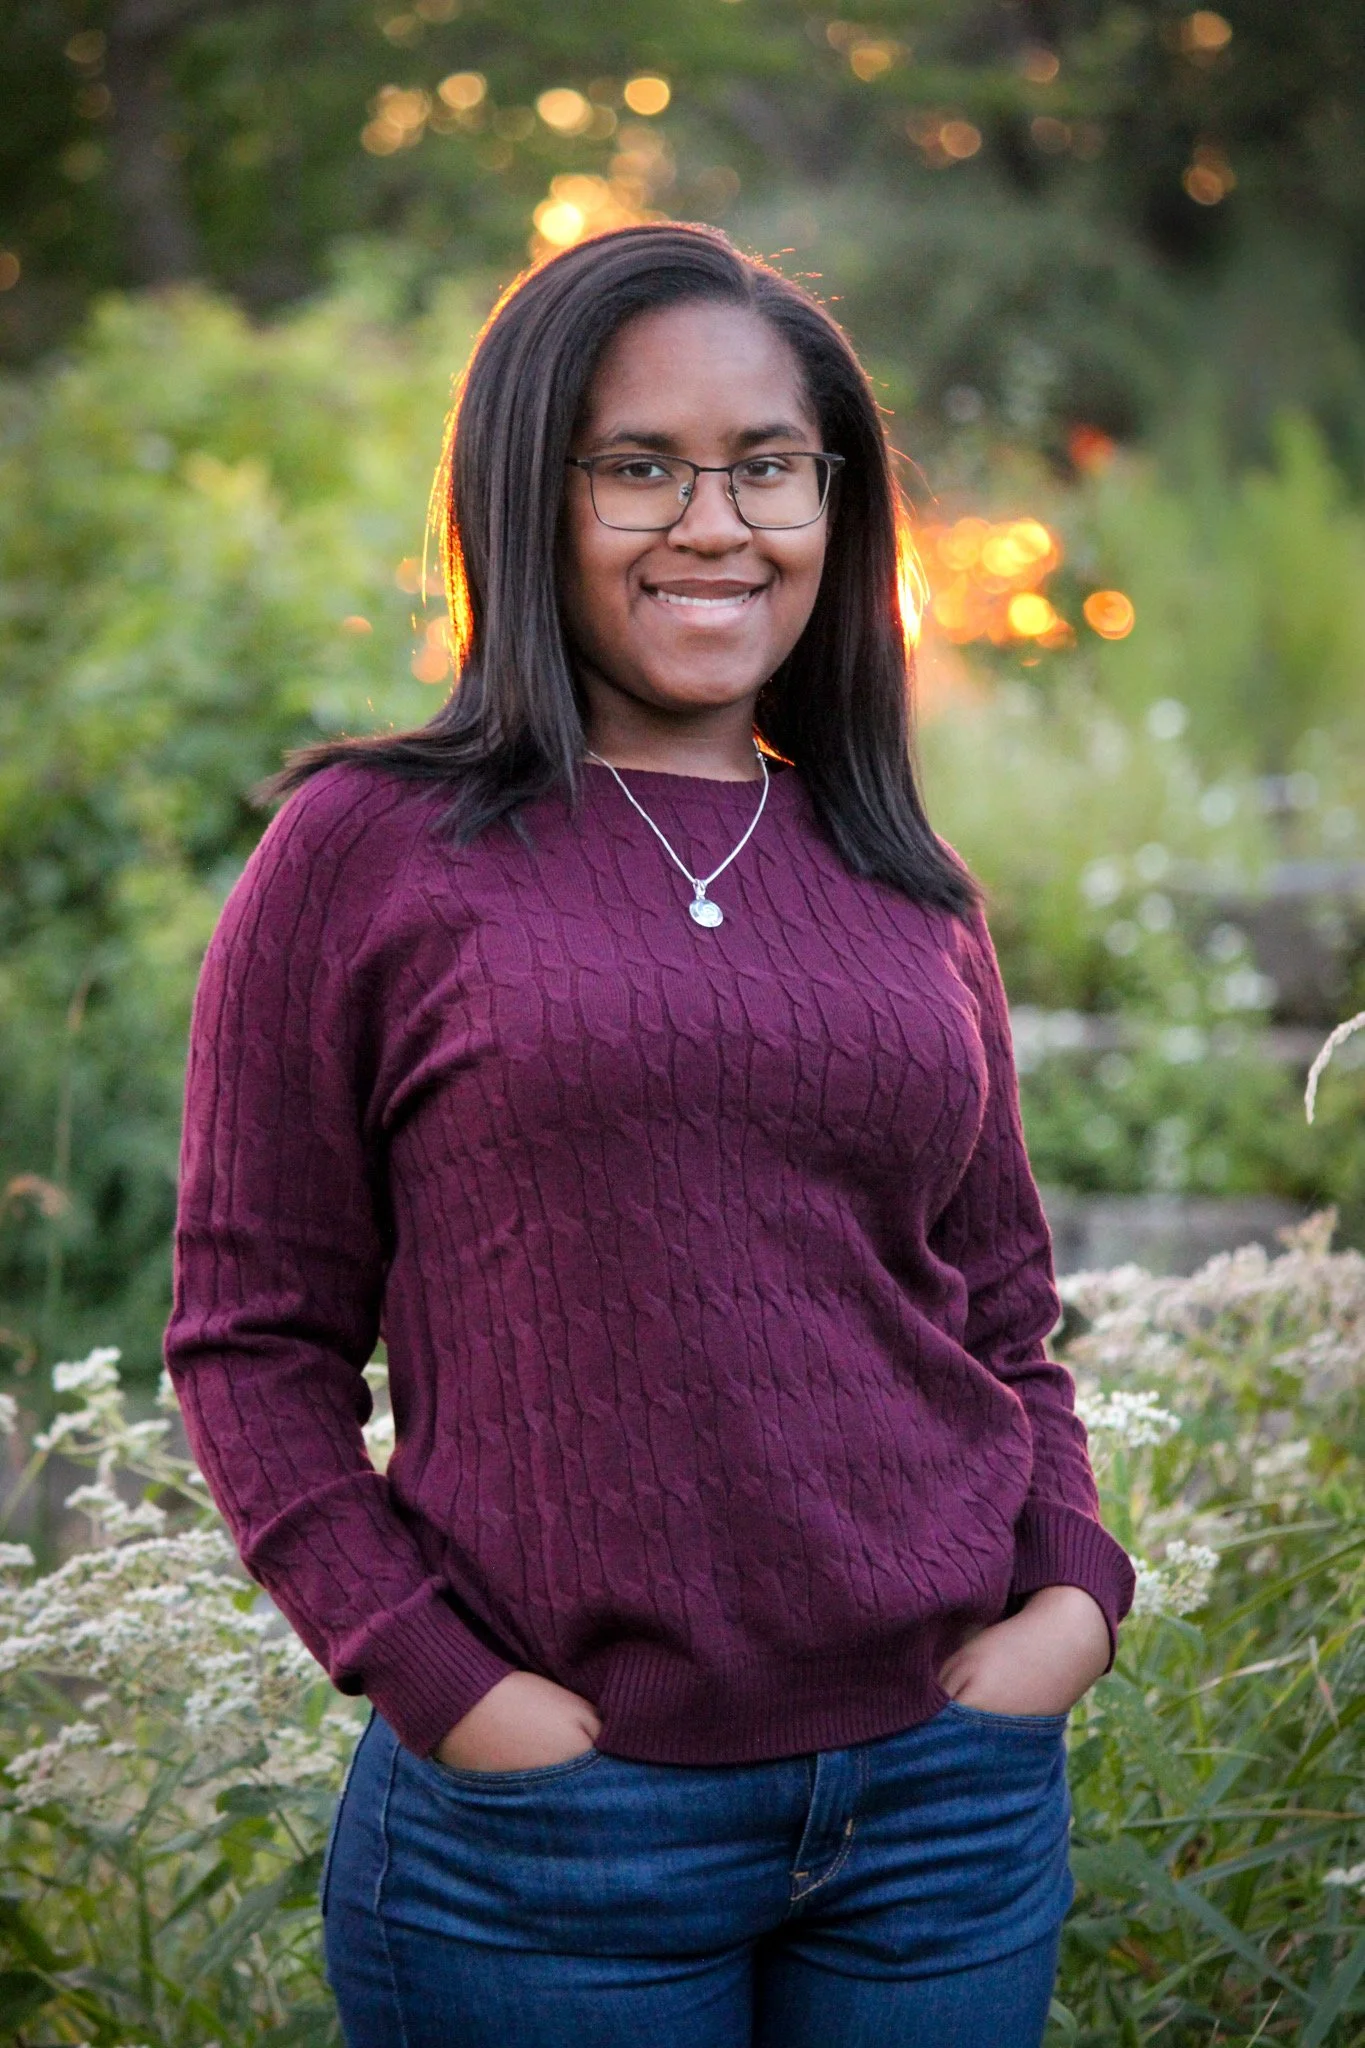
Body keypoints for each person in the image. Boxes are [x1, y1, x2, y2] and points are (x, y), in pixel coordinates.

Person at [165, 222, 1135, 2048]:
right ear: (529, 498)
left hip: (944, 1808)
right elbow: (251, 1338)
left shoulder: (900, 881)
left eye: (768, 465)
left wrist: (1074, 1595)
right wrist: (451, 1690)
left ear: (833, 504)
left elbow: (1003, 1313)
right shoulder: (369, 852)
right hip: (552, 1845)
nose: (718, 522)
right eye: (641, 468)